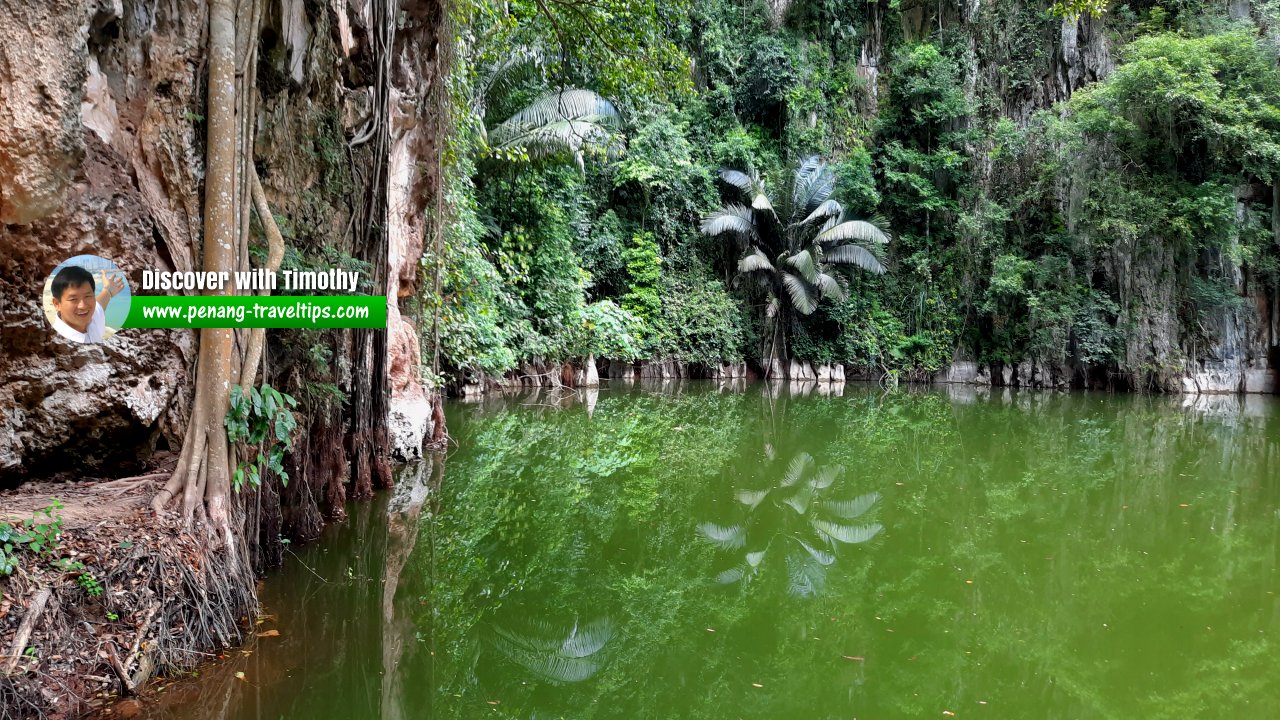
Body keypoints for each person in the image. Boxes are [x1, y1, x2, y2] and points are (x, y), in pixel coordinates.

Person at [49, 265, 125, 343]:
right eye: (73, 299)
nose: (83, 306)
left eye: (87, 296)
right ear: (57, 304)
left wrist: (108, 290)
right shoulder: (57, 341)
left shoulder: (93, 316)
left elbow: (100, 303)